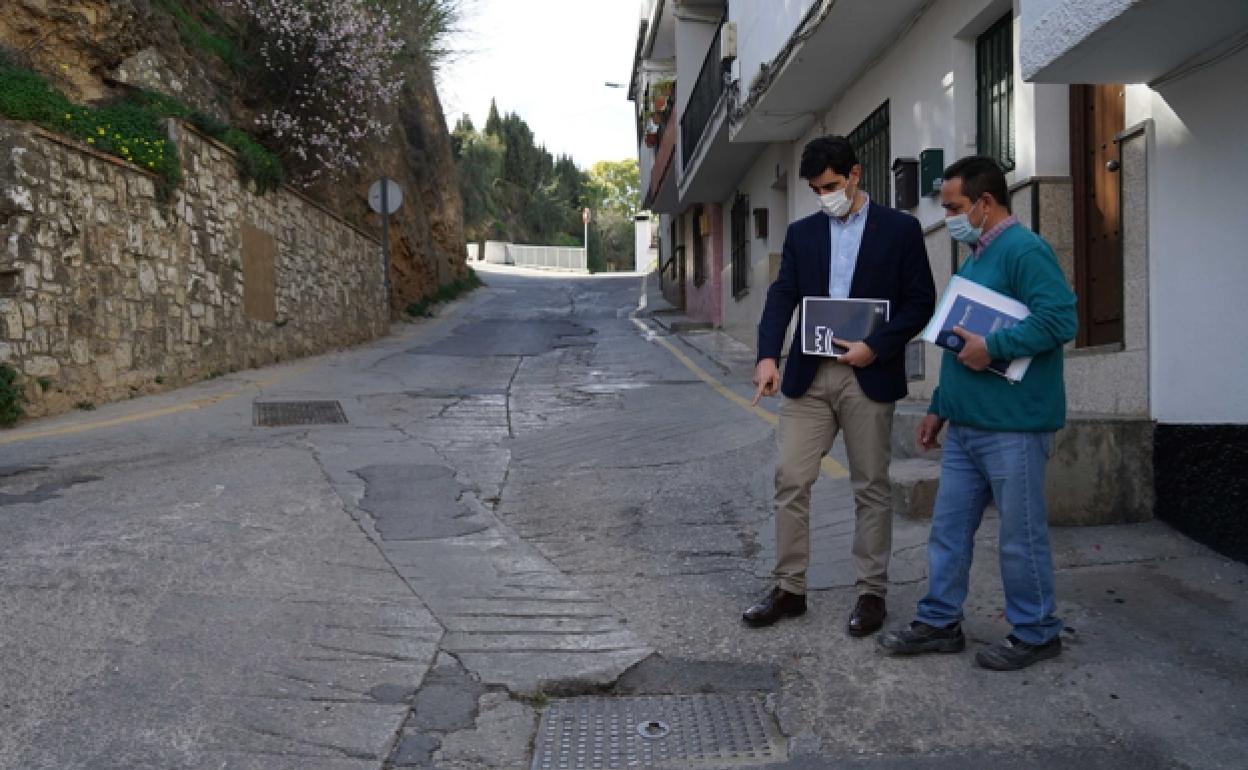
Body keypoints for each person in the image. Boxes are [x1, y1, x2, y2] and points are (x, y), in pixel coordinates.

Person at [878, 155, 1078, 671]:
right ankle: (940, 621)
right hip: (967, 427)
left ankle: (1036, 631)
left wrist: (995, 347)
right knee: (948, 531)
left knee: (1020, 536)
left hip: (1014, 427)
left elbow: (1060, 319)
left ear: (986, 203)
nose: (948, 217)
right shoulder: (974, 258)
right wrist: (938, 408)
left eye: (954, 207)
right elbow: (957, 343)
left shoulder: (1024, 250)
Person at [744, 135, 935, 636]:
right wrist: (767, 357)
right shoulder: (802, 233)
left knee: (871, 485)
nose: (823, 196)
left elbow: (921, 302)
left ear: (855, 174)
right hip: (809, 373)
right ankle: (789, 589)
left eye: (830, 186)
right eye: (815, 189)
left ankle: (871, 593)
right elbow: (782, 296)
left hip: (868, 373)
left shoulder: (900, 229)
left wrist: (877, 346)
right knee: (790, 476)